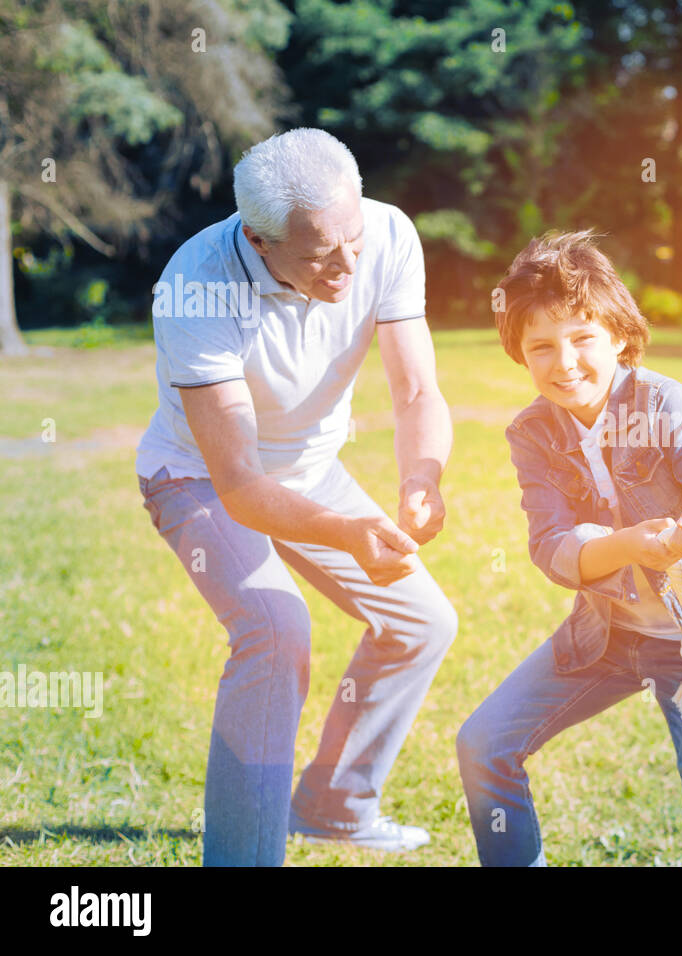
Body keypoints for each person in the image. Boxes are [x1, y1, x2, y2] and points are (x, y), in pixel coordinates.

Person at [135, 128, 458, 866]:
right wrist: (347, 532)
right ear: (260, 238)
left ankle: (335, 805)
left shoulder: (386, 233)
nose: (348, 263)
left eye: (353, 236)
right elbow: (242, 483)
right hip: (199, 479)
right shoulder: (198, 283)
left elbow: (415, 389)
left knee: (422, 623)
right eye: (319, 254)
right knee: (277, 632)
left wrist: (421, 479)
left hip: (313, 473)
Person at [456, 230, 682, 866]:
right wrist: (630, 544)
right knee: (484, 744)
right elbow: (551, 549)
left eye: (581, 339)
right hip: (605, 636)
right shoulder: (531, 433)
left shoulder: (663, 401)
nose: (563, 361)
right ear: (519, 353)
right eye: (540, 346)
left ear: (620, 337)